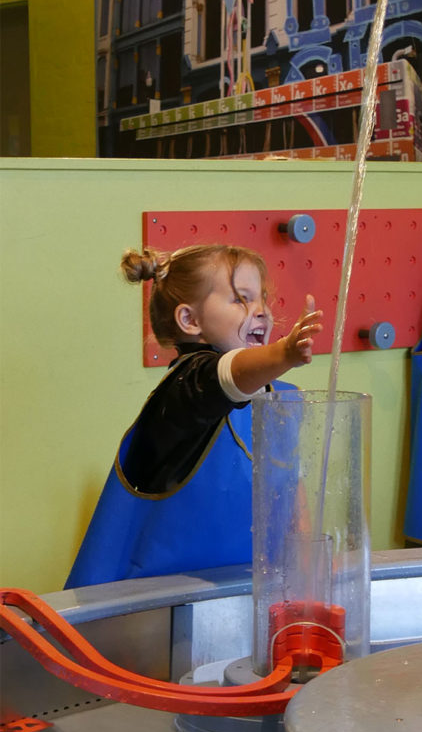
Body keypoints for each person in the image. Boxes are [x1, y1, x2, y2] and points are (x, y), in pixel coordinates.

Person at [65, 243, 322, 588]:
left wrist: (309, 579)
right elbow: (227, 376)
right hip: (143, 607)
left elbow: (293, 500)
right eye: (240, 299)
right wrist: (284, 352)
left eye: (262, 297)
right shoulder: (185, 390)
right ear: (189, 320)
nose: (261, 310)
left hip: (243, 597)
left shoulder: (282, 399)